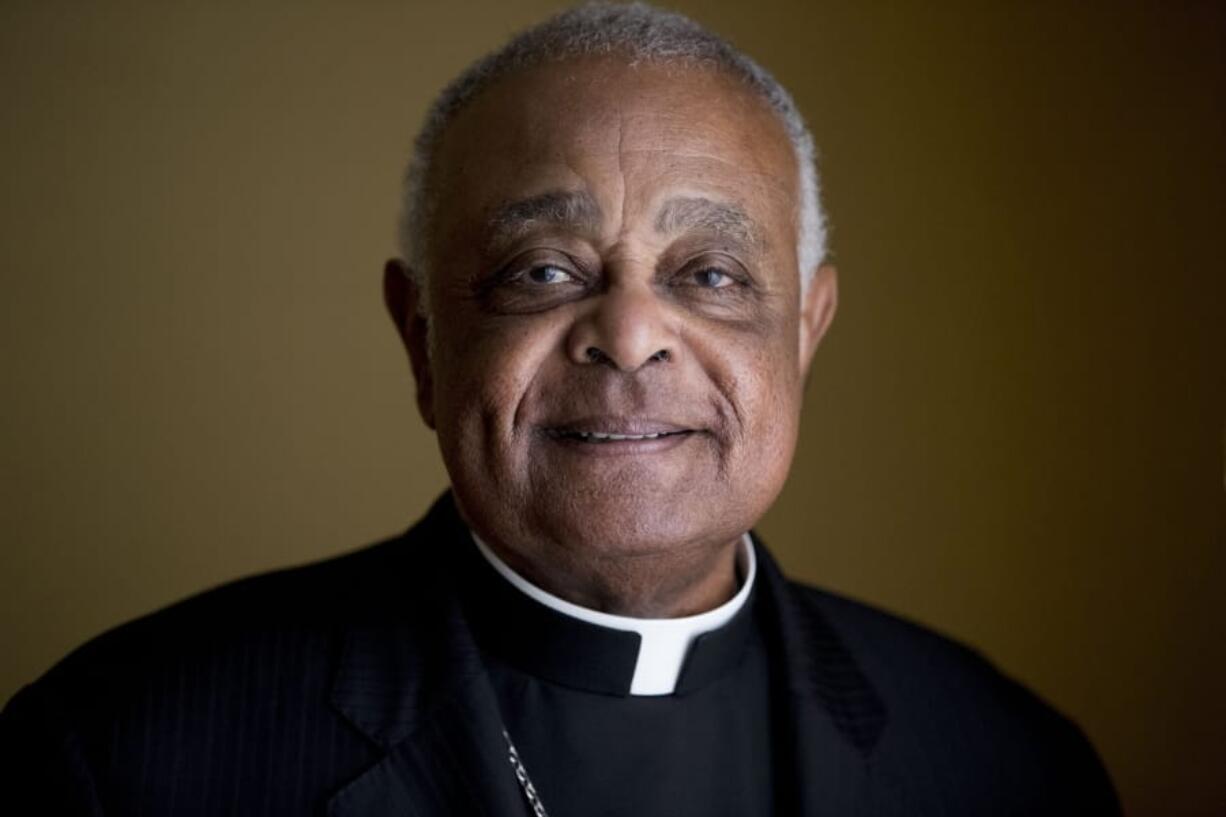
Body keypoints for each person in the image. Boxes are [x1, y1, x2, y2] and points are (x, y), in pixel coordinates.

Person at [0, 3, 1121, 814]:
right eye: (541, 269)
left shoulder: (1008, 763)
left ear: (804, 334)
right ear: (421, 340)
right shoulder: (117, 756)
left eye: (710, 274)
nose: (629, 332)